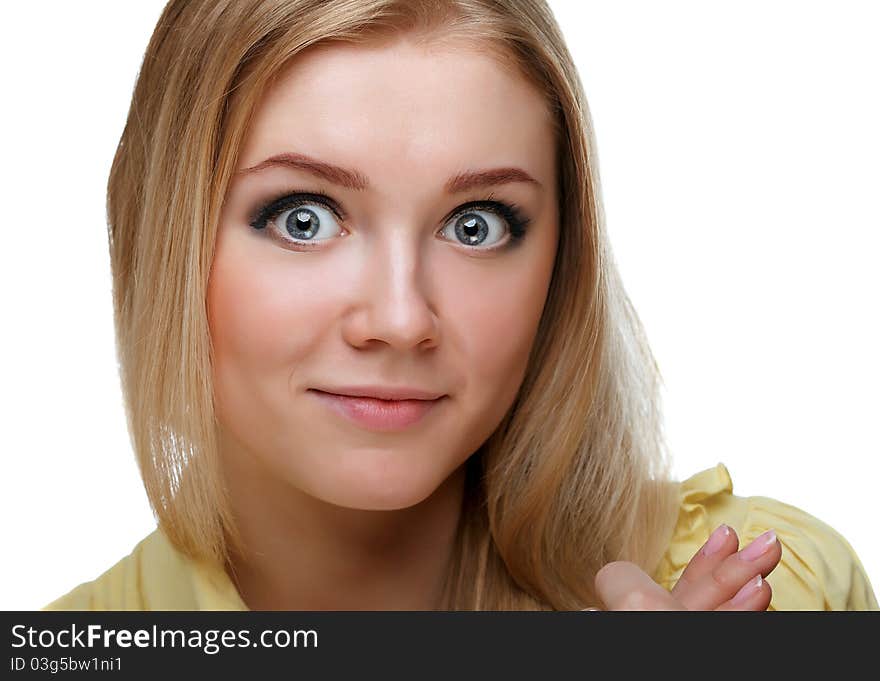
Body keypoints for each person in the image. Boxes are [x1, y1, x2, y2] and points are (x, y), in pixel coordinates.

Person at [45, 0, 876, 611]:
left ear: (561, 259)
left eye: (475, 225)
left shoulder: (758, 596)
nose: (401, 318)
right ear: (163, 238)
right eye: (303, 217)